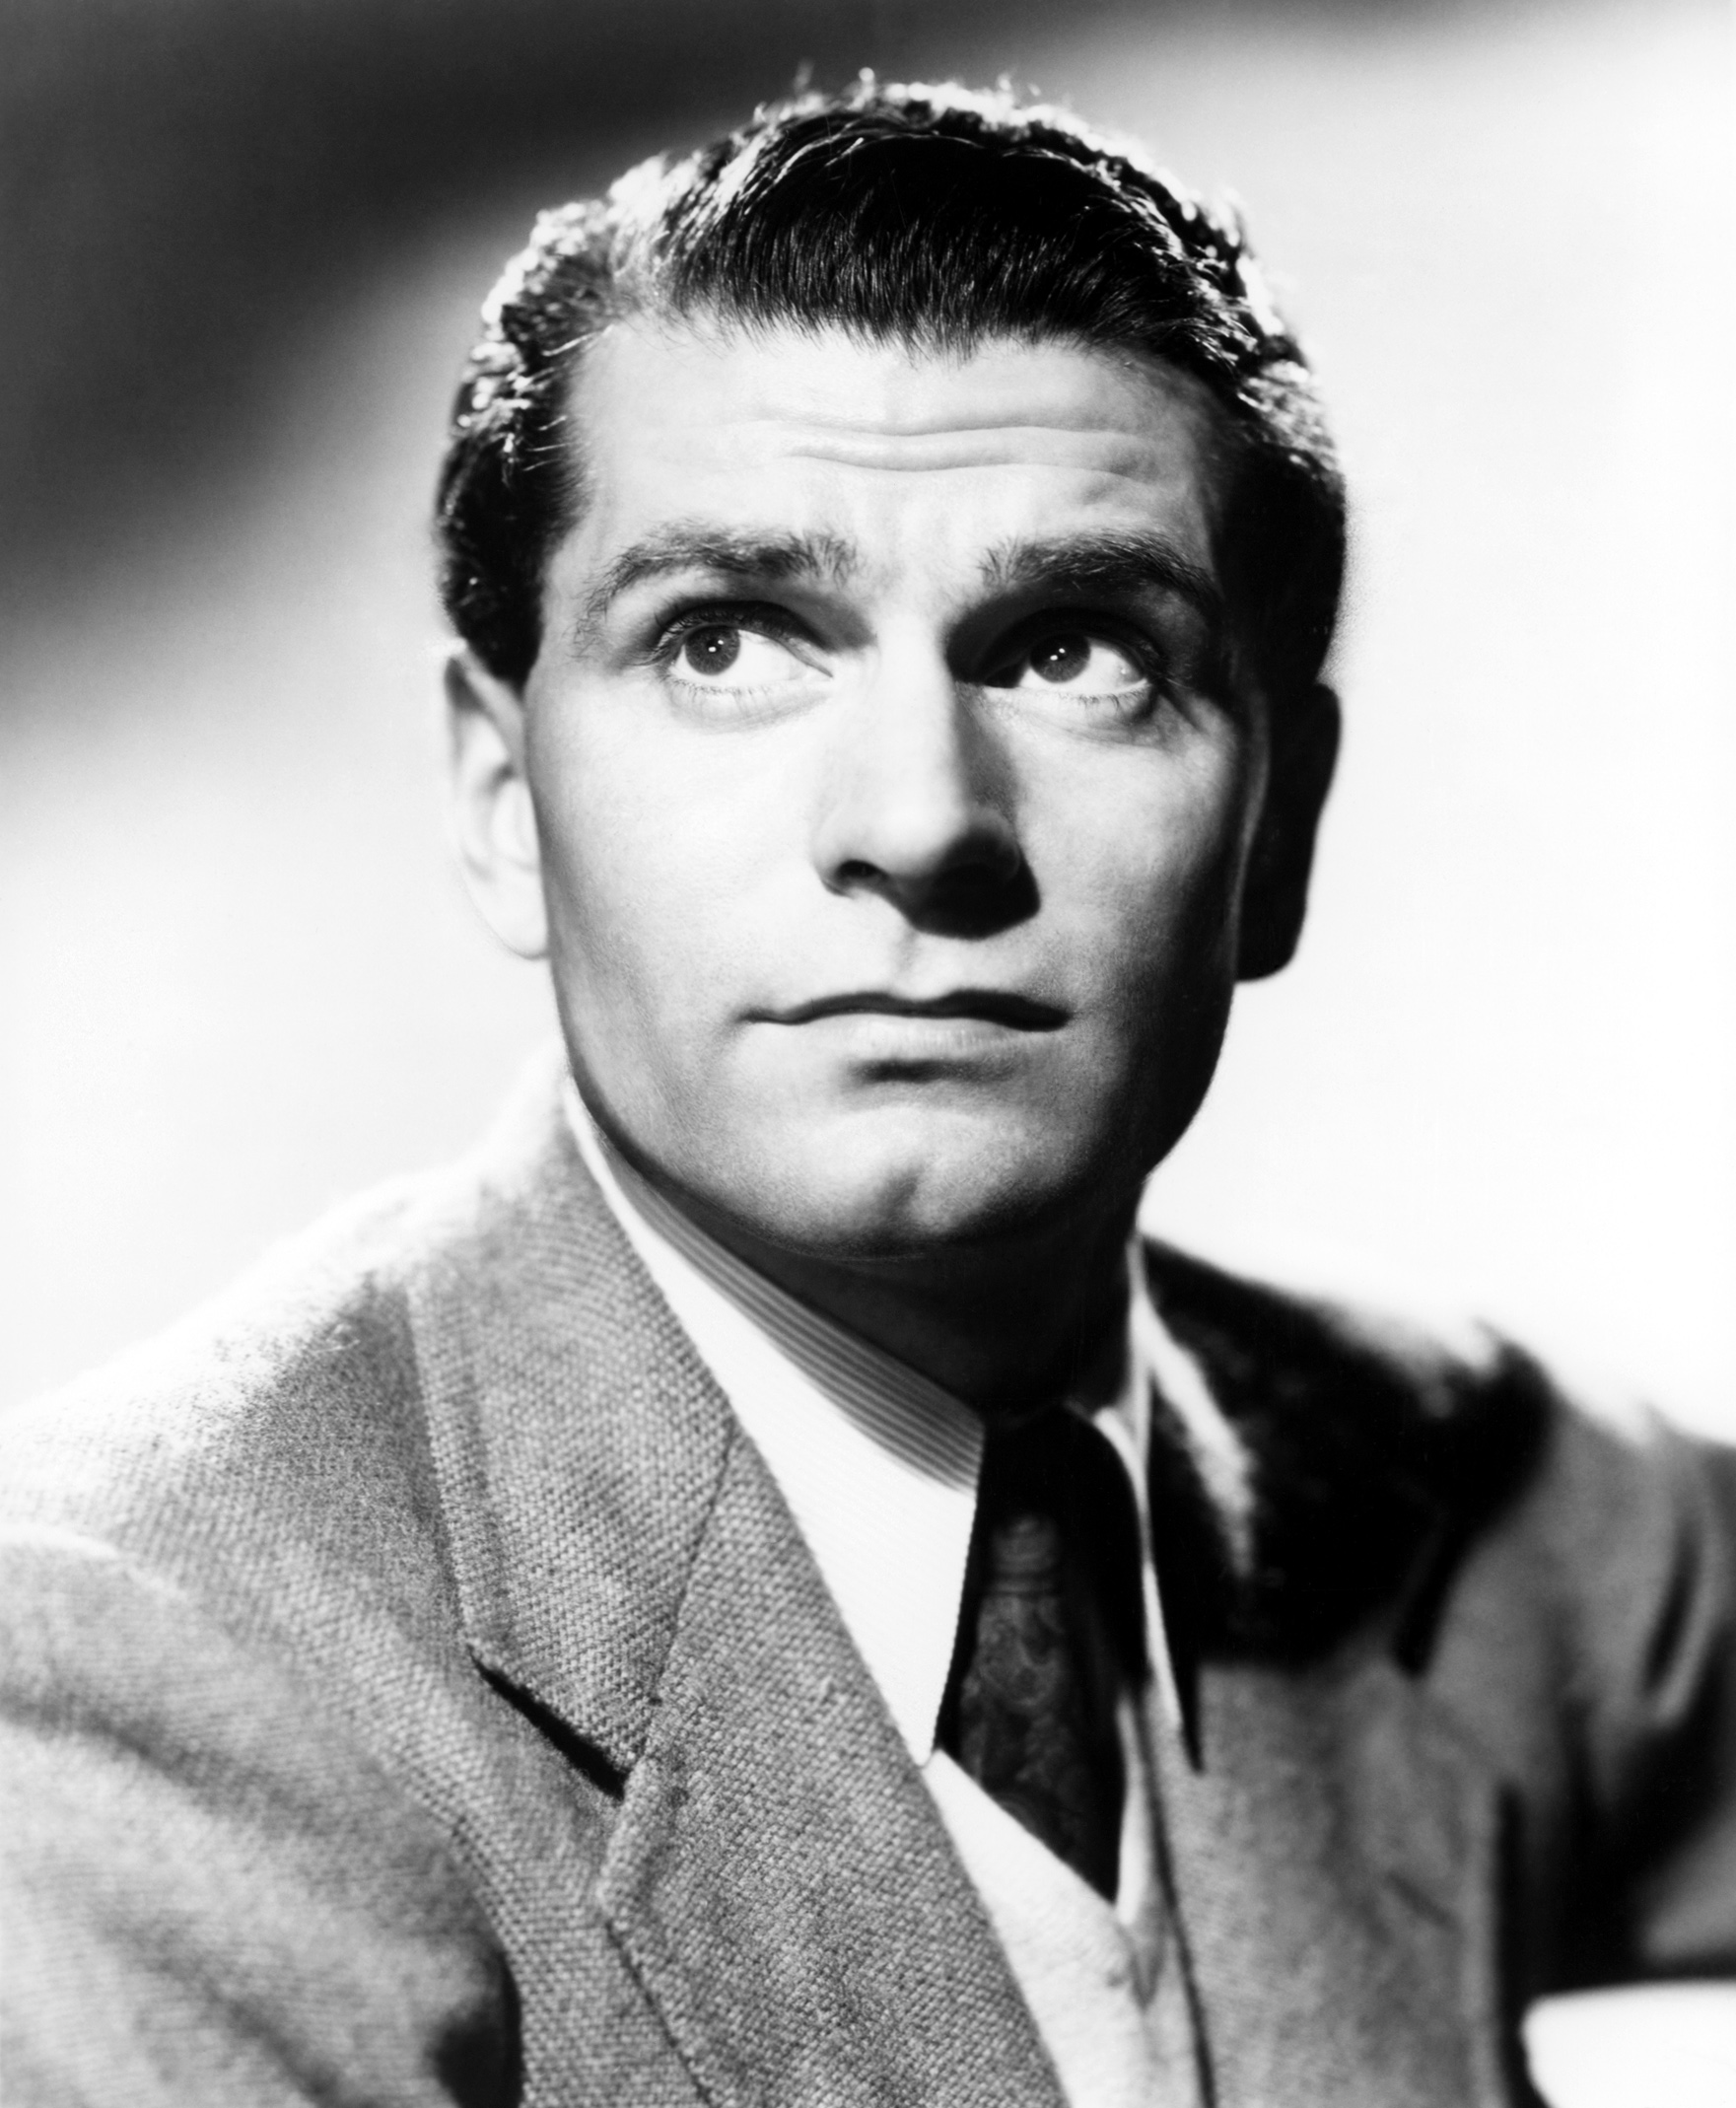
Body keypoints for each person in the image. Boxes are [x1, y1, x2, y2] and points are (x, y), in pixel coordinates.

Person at [1, 78, 1732, 2108]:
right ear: (499, 793)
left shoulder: (1435, 1477)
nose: (918, 820)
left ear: (1280, 828)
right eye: (725, 641)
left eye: (1074, 650)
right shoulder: (137, 1665)